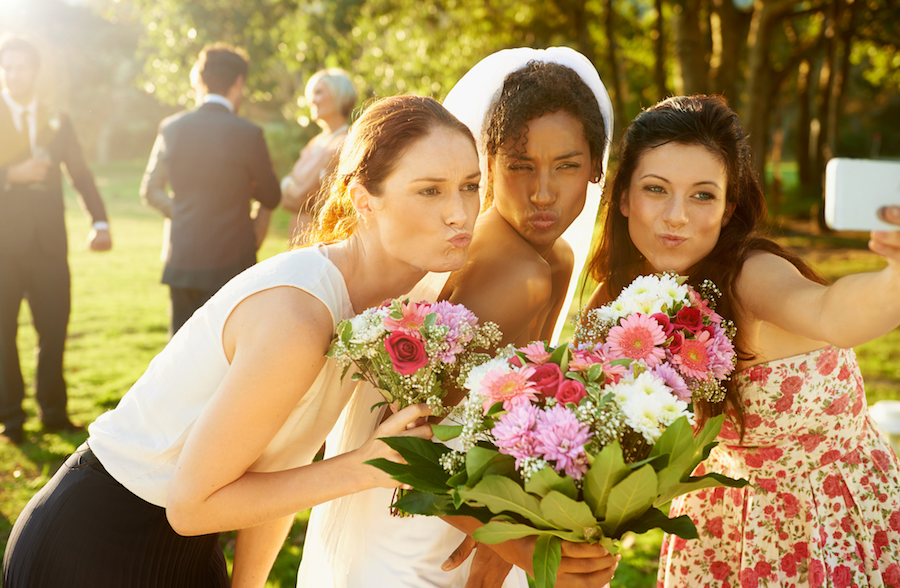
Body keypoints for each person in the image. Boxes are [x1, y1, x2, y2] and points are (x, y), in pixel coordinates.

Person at [2, 94, 482, 588]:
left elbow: (281, 464)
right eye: (430, 191)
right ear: (364, 201)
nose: (460, 214)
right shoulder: (298, 316)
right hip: (99, 544)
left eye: (471, 186)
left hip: (187, 545)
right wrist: (363, 467)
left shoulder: (378, 308)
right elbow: (190, 506)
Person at [298, 47, 619, 588]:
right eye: (520, 166)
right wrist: (509, 540)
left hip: (477, 498)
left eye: (566, 165)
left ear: (596, 168)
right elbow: (407, 445)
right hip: (431, 524)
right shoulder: (518, 274)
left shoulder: (552, 256)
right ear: (487, 163)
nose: (544, 192)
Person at [581, 94, 900, 587]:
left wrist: (894, 277)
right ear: (623, 197)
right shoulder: (615, 303)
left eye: (702, 195)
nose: (676, 216)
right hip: (717, 528)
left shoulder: (750, 276)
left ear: (729, 208)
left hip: (827, 516)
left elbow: (832, 313)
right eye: (655, 189)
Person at [0, 35, 112, 444]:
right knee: (1, 335)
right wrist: (11, 176)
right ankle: (10, 418)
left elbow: (79, 173)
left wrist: (99, 221)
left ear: (34, 71)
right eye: (7, 67)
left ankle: (54, 412)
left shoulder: (56, 119)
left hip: (49, 246)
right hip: (2, 249)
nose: (14, 74)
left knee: (54, 330)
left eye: (21, 67)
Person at [140, 43, 282, 335]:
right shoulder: (248, 133)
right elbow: (271, 195)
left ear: (199, 80)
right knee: (226, 358)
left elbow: (149, 190)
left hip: (183, 261)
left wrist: (181, 214)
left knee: (181, 356)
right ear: (239, 82)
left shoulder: (172, 128)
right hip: (232, 263)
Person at [281, 68, 358, 240]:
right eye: (311, 94)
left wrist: (288, 185)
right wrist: (294, 190)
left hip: (321, 240)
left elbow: (302, 196)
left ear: (340, 95)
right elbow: (288, 200)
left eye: (319, 93)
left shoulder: (344, 143)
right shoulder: (314, 142)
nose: (312, 101)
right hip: (297, 238)